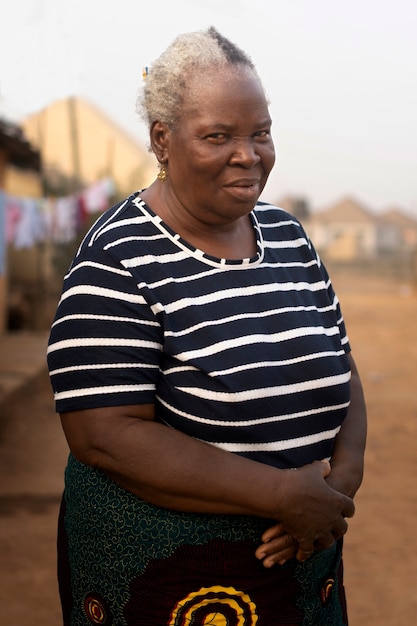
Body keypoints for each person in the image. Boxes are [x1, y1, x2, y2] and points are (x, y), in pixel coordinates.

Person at [47, 26, 367, 626]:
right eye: (218, 136)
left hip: (303, 566)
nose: (248, 154)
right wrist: (281, 495)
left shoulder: (289, 237)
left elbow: (340, 359)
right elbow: (102, 431)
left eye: (261, 133)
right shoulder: (118, 255)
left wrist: (339, 483)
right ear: (163, 140)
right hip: (169, 576)